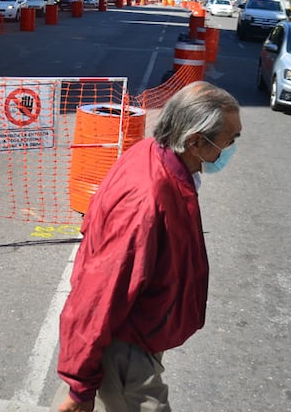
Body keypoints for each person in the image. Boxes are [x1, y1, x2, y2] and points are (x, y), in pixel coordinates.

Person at [54, 81, 242, 412]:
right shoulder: (147, 200)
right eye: (229, 140)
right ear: (195, 140)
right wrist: (80, 386)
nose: (230, 149)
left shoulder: (160, 156)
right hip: (126, 347)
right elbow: (100, 292)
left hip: (137, 334)